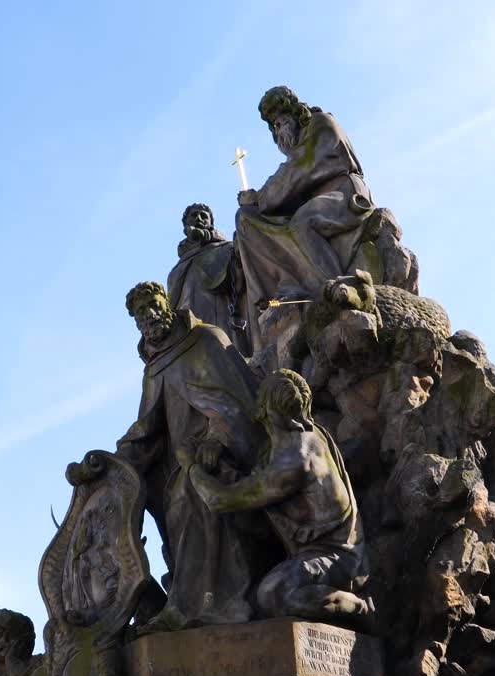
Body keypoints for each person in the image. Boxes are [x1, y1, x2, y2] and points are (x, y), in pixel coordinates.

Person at [76, 281, 267, 632]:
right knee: (171, 496)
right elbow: (146, 427)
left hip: (228, 458)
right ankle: (184, 604)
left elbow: (236, 403)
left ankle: (210, 605)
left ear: (166, 302)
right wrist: (109, 465)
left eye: (152, 305)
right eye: (139, 314)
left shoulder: (207, 340)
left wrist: (216, 439)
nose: (148, 316)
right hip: (181, 462)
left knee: (191, 495)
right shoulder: (155, 366)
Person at [189, 369, 372, 624]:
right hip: (307, 554)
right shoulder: (303, 437)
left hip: (338, 560)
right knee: (247, 600)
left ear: (263, 408)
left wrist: (192, 468)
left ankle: (361, 607)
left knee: (272, 594)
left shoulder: (296, 458)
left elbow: (219, 500)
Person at [235, 86, 377, 350]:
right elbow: (294, 176)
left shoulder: (322, 125)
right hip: (318, 200)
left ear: (294, 111)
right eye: (273, 124)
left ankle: (339, 286)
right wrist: (256, 204)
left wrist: (262, 197)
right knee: (251, 221)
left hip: (344, 193)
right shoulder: (299, 147)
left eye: (280, 118)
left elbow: (300, 171)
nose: (278, 128)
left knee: (303, 221)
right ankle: (289, 284)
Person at [166, 203, 250, 355]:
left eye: (204, 216)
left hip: (222, 318)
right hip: (190, 332)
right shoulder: (176, 269)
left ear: (211, 223)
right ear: (185, 225)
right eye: (194, 215)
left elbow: (240, 280)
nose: (199, 218)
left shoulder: (226, 249)